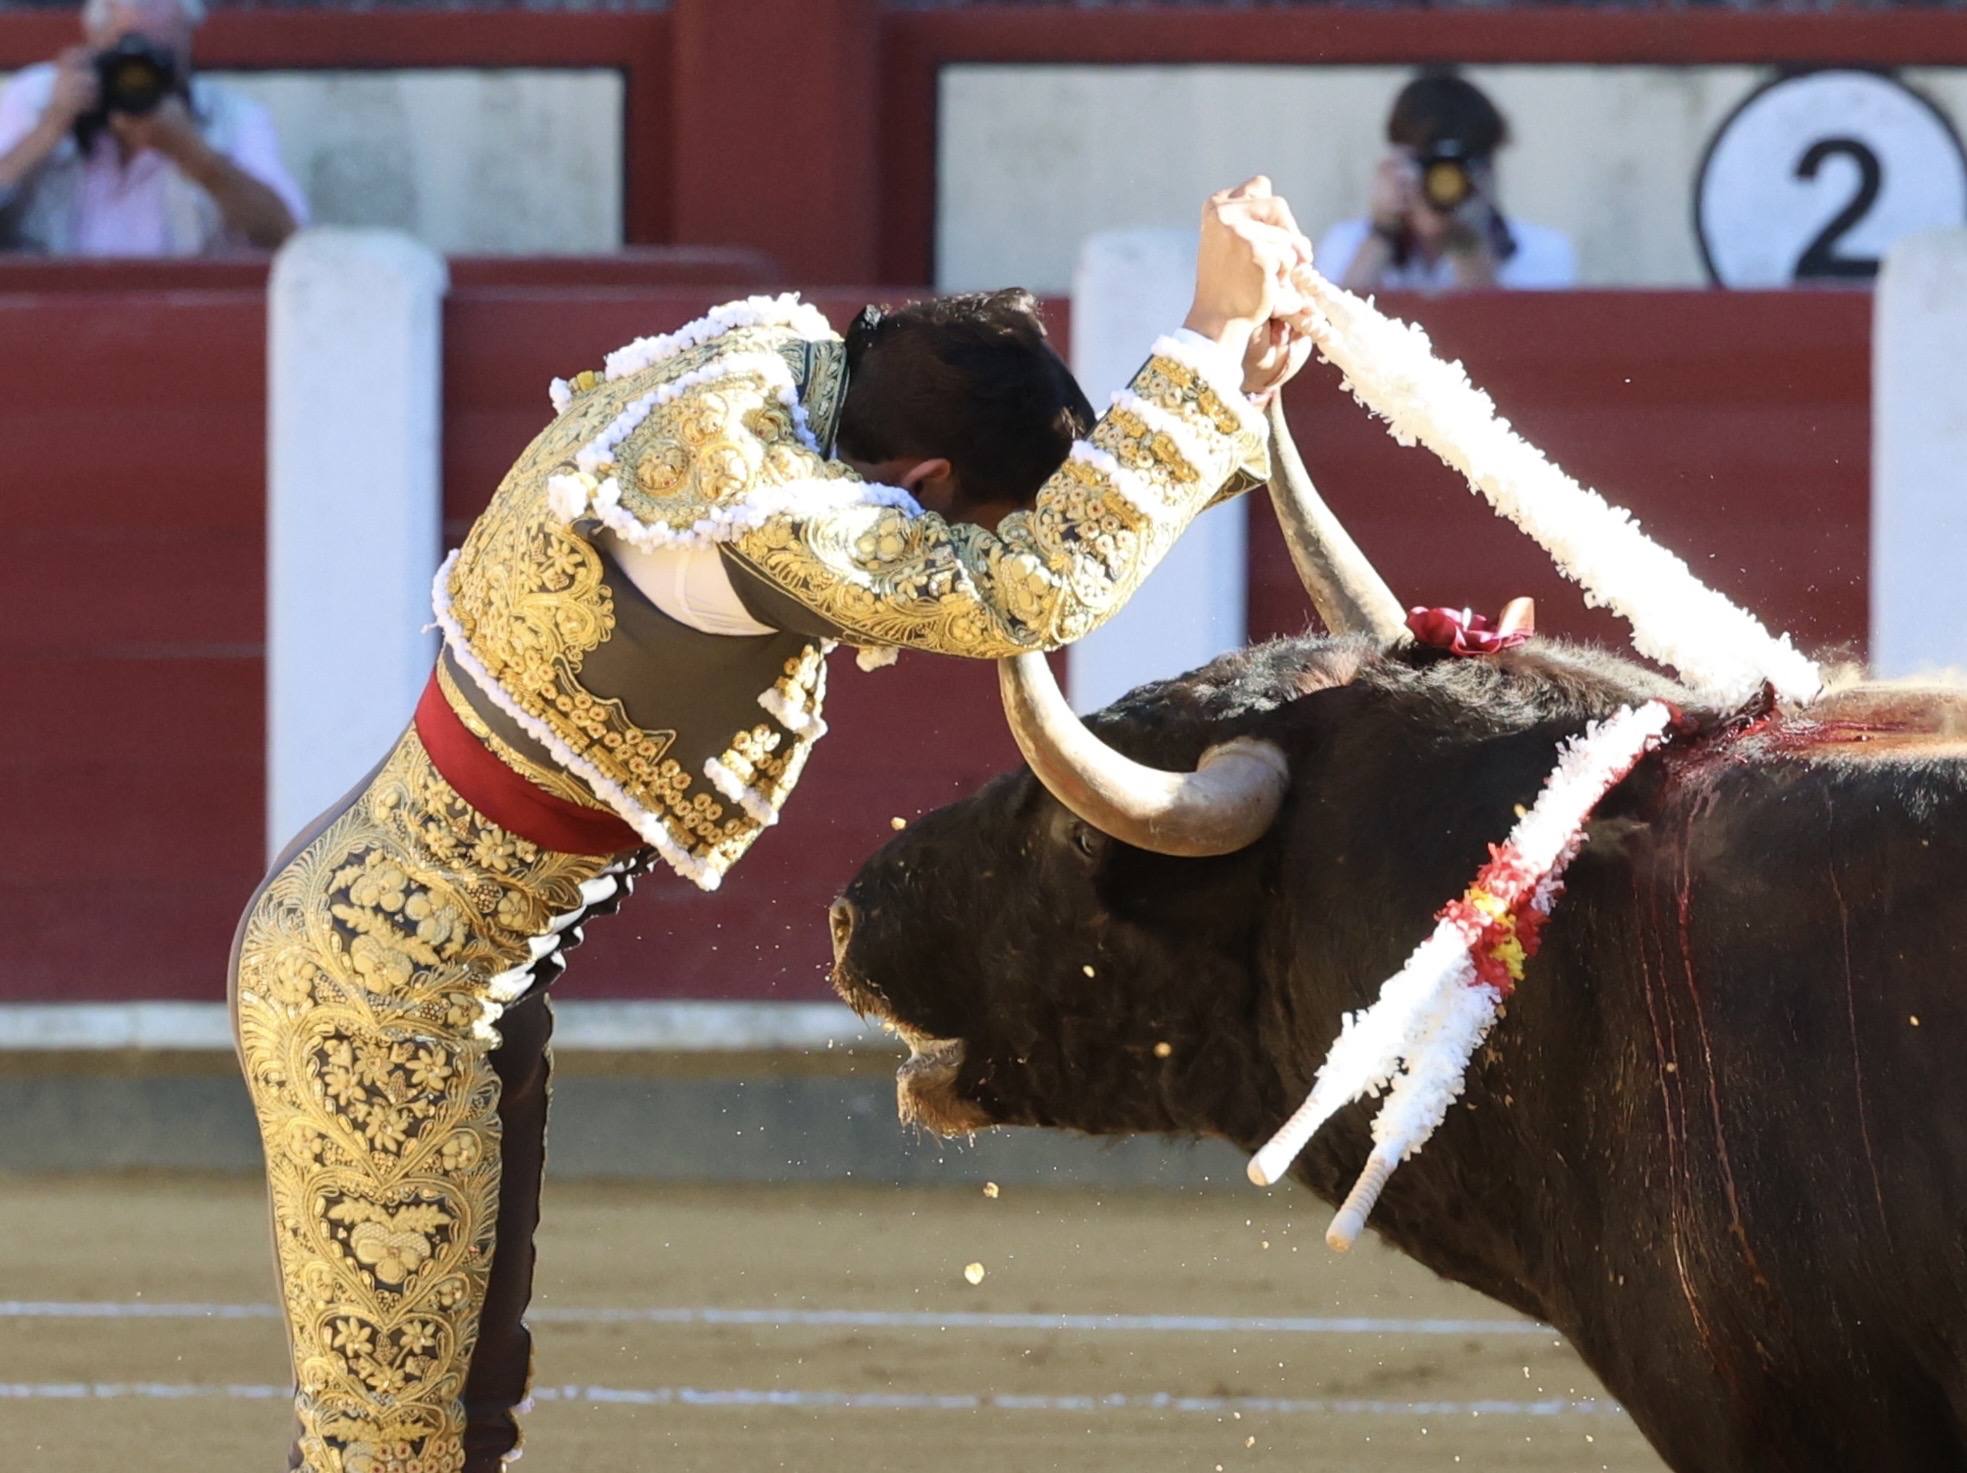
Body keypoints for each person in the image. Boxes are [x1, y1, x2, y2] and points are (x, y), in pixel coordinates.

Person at [229, 177, 1315, 1473]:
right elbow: (1019, 587)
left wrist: (1221, 394)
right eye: (948, 518)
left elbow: (1006, 542)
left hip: (422, 964)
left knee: (461, 1414)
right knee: (394, 1447)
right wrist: (1197, 332)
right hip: (382, 999)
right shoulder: (751, 526)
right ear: (919, 480)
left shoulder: (770, 373)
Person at [0, 0, 304, 256]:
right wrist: (48, 131)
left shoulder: (235, 117)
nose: (138, 71)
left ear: (188, 40)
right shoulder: (38, 97)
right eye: (126, 50)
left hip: (184, 318)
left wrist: (195, 155)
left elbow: (290, 240)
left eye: (155, 54)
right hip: (50, 315)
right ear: (94, 39)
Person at [1317, 69, 1575, 293]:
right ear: (1395, 165)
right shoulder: (1346, 244)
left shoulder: (1543, 251)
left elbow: (1503, 343)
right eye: (1428, 165)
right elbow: (1330, 337)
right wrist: (1382, 234)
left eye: (1459, 168)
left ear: (1489, 172)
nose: (1444, 182)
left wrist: (1467, 243)